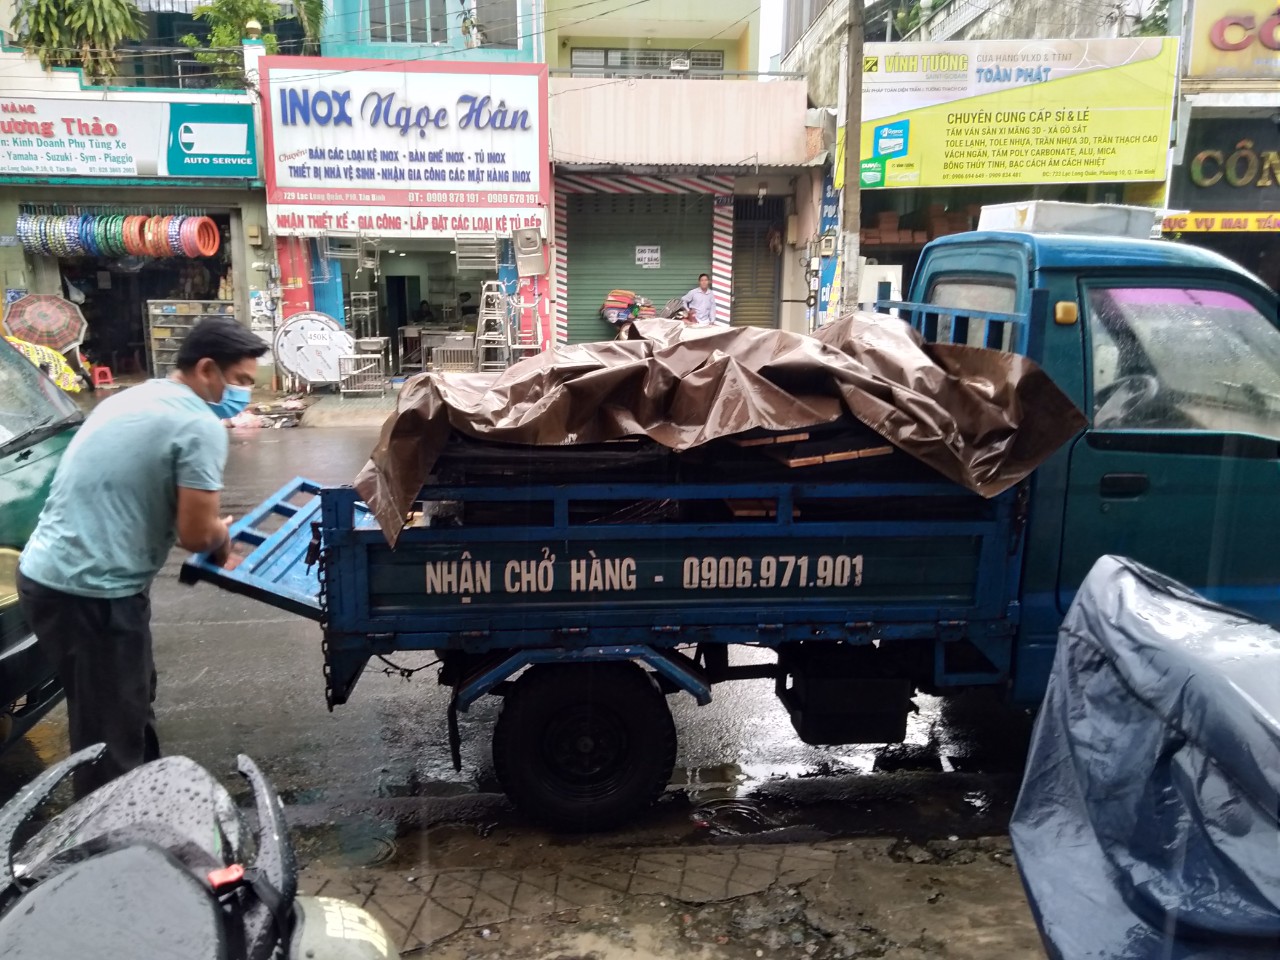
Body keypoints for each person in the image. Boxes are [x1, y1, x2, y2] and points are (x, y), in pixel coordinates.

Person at [16, 317, 268, 799]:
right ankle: (108, 832)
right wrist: (220, 536)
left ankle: (145, 802)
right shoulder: (198, 425)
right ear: (207, 369)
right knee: (111, 736)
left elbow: (146, 494)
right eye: (240, 381)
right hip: (92, 592)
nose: (244, 394)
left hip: (53, 578)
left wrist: (208, 533)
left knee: (126, 704)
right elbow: (197, 534)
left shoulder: (133, 398)